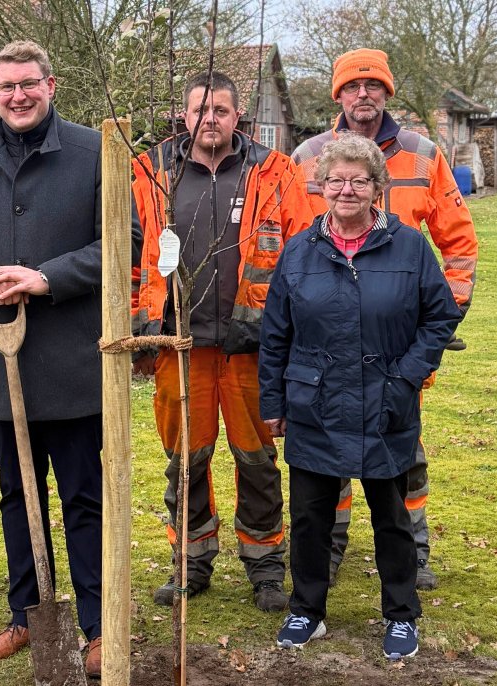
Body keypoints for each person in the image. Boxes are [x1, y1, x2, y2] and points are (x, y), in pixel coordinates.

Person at [0, 40, 139, 678]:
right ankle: (27, 614)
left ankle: (101, 625)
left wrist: (43, 277)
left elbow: (123, 243)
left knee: (83, 497)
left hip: (74, 360)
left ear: (51, 85)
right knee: (17, 495)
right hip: (4, 358)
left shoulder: (92, 152)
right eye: (5, 87)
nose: (17, 96)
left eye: (28, 84)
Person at [259, 133, 461, 660]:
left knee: (392, 517)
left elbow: (440, 317)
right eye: (336, 180)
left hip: (385, 401)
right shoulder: (300, 250)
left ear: (377, 187)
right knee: (309, 518)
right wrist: (274, 405)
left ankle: (400, 614)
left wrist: (407, 377)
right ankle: (306, 610)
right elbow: (275, 334)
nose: (346, 190)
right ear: (321, 186)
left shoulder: (410, 247)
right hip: (315, 405)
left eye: (359, 180)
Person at [291, 48, 478, 590]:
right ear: (338, 96)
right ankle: (328, 547)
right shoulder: (307, 156)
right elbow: (293, 251)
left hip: (396, 343)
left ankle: (412, 547)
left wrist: (447, 315)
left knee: (402, 446)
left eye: (374, 85)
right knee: (326, 444)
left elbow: (458, 243)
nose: (363, 94)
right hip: (326, 341)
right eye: (353, 86)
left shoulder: (422, 154)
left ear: (387, 93)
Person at [130, 71, 313, 612]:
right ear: (183, 116)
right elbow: (127, 252)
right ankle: (190, 562)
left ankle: (264, 567)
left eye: (221, 110)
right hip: (178, 346)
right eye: (200, 109)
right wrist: (141, 332)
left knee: (256, 460)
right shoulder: (150, 172)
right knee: (185, 460)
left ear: (239, 117)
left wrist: (293, 339)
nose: (210, 118)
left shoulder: (276, 172)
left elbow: (303, 255)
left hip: (252, 345)